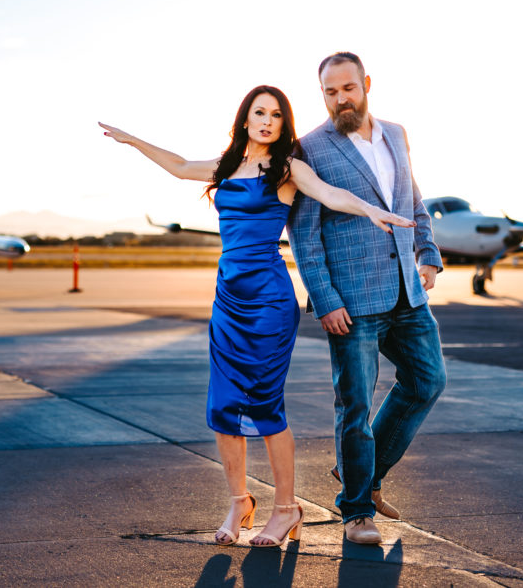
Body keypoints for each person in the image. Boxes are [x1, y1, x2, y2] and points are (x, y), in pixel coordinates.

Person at [99, 84, 414, 548]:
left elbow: (330, 195)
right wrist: (135, 141)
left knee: (265, 404)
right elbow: (181, 166)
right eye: (259, 112)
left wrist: (371, 209)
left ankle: (286, 508)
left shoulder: (287, 168)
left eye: (276, 115)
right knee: (224, 406)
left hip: (269, 301)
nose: (267, 121)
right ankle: (239, 501)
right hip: (227, 300)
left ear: (283, 125)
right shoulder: (226, 167)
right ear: (245, 119)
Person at [286, 53, 447, 545]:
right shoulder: (309, 149)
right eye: (330, 92)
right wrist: (325, 297)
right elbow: (304, 236)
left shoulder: (396, 133)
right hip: (351, 302)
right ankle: (356, 511)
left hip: (407, 291)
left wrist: (428, 251)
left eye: (348, 89)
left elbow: (411, 199)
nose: (341, 99)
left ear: (366, 84)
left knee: (427, 382)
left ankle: (364, 477)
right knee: (354, 406)